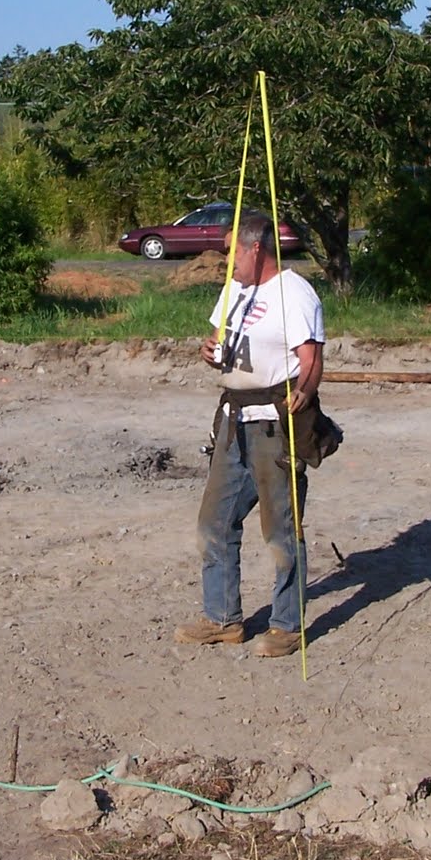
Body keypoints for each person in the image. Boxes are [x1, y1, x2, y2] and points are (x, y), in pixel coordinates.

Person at [175, 210, 324, 658]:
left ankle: (287, 625)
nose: (225, 260)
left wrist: (303, 390)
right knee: (213, 522)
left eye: (231, 251)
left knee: (281, 528)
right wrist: (208, 353)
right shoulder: (234, 292)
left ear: (256, 248)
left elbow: (312, 357)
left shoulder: (294, 294)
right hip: (233, 422)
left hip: (274, 426)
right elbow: (223, 345)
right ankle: (222, 619)